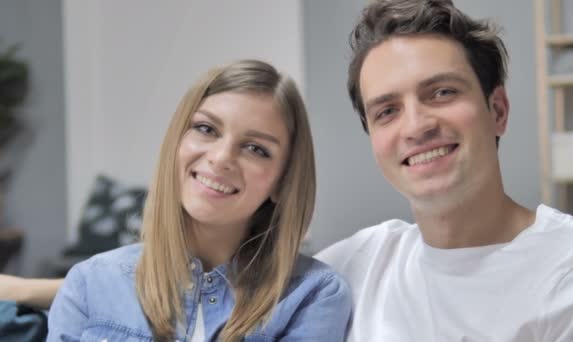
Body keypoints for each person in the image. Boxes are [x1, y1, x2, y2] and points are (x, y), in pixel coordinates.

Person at [315, 0, 573, 341]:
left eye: (442, 93)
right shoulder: (353, 267)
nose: (415, 127)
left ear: (497, 111)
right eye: (387, 111)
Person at [46, 60, 351, 341]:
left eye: (256, 149)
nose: (221, 159)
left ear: (283, 182)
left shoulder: (314, 295)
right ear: (177, 141)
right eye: (206, 129)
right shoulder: (89, 284)